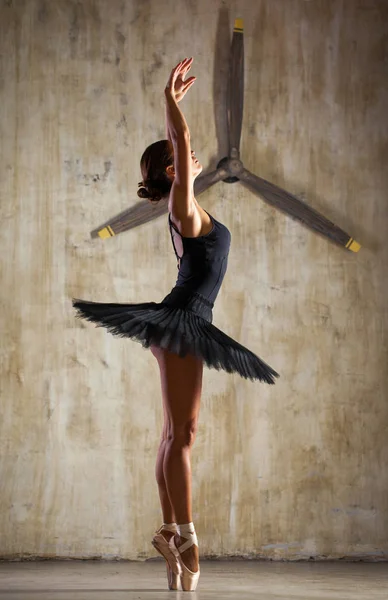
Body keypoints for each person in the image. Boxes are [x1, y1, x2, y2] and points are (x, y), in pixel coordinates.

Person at [73, 57, 279, 592]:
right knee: (183, 435)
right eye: (184, 159)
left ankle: (170, 533)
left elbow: (181, 147)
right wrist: (170, 102)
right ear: (173, 172)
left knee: (173, 433)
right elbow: (180, 140)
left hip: (186, 322)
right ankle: (186, 537)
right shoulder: (183, 208)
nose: (193, 159)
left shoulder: (189, 211)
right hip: (184, 321)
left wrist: (174, 114)